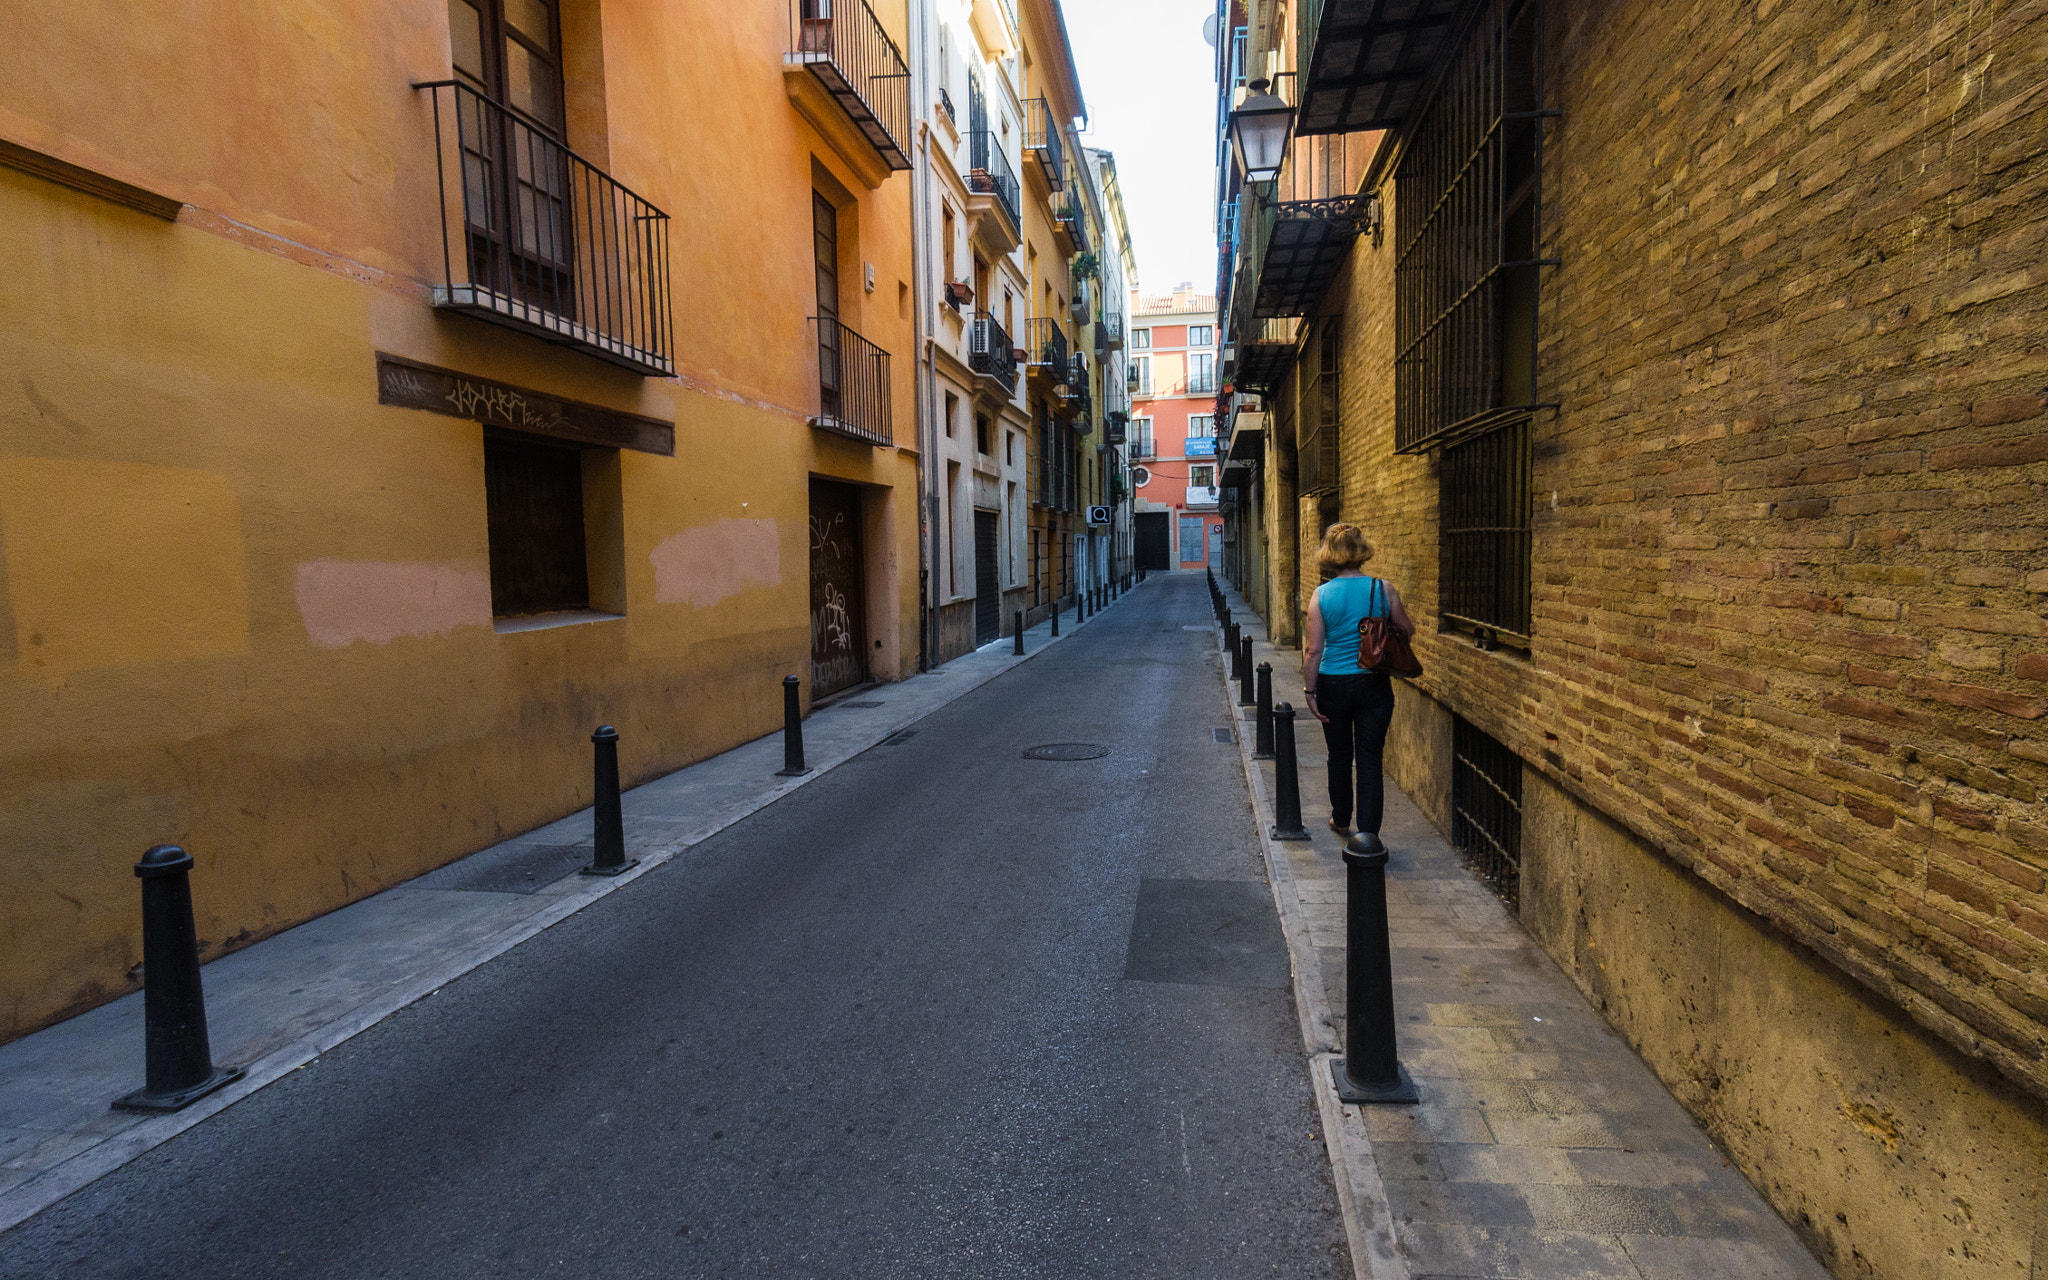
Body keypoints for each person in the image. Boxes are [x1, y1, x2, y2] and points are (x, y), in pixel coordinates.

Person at [1302, 523, 1415, 852]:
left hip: (1333, 685)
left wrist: (1310, 692)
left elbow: (1313, 649)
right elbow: (1406, 630)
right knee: (1369, 759)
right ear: (1360, 549)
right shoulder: (1383, 589)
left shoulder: (1321, 595)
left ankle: (1340, 818)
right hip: (1373, 684)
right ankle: (1369, 835)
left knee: (1338, 755)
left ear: (1329, 553)